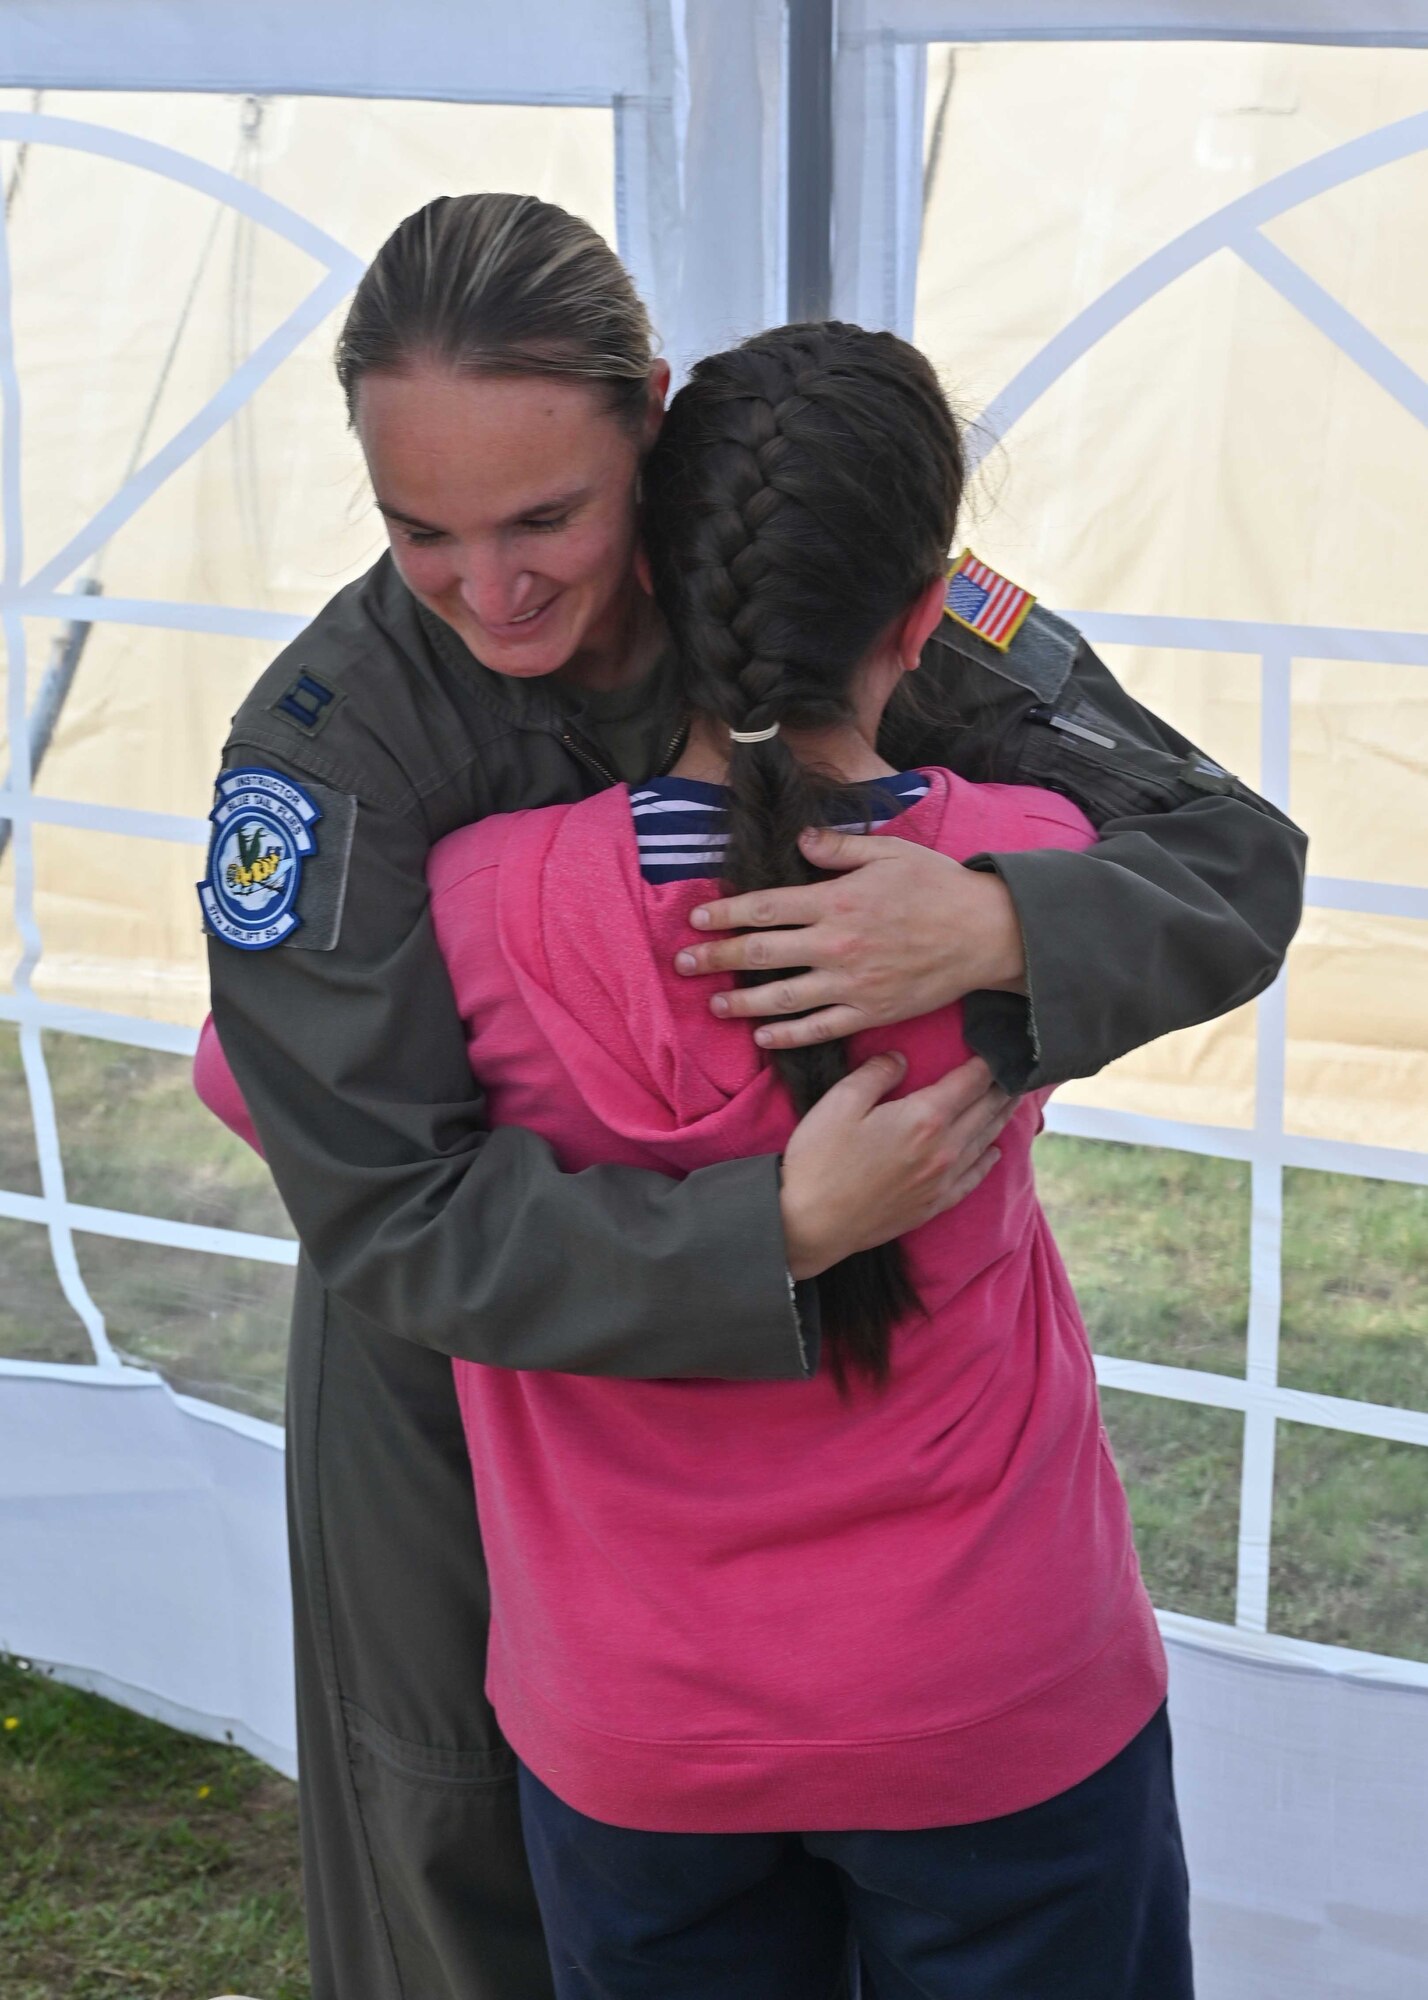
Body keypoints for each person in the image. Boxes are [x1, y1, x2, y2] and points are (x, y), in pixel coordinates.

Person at [198, 193, 1304, 2000]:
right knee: (462, 1847)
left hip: (861, 1489)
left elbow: (1228, 858)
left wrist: (1000, 920)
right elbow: (387, 1202)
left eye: (548, 516)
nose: (495, 593)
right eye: (423, 534)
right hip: (450, 1351)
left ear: (652, 412)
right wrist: (772, 1229)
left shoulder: (832, 576)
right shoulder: (328, 749)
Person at [423, 318, 1188, 1999]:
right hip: (999, 1687)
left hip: (637, 1719)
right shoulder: (1020, 864)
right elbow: (1178, 843)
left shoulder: (469, 908)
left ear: (646, 588)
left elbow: (255, 1087)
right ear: (924, 620)